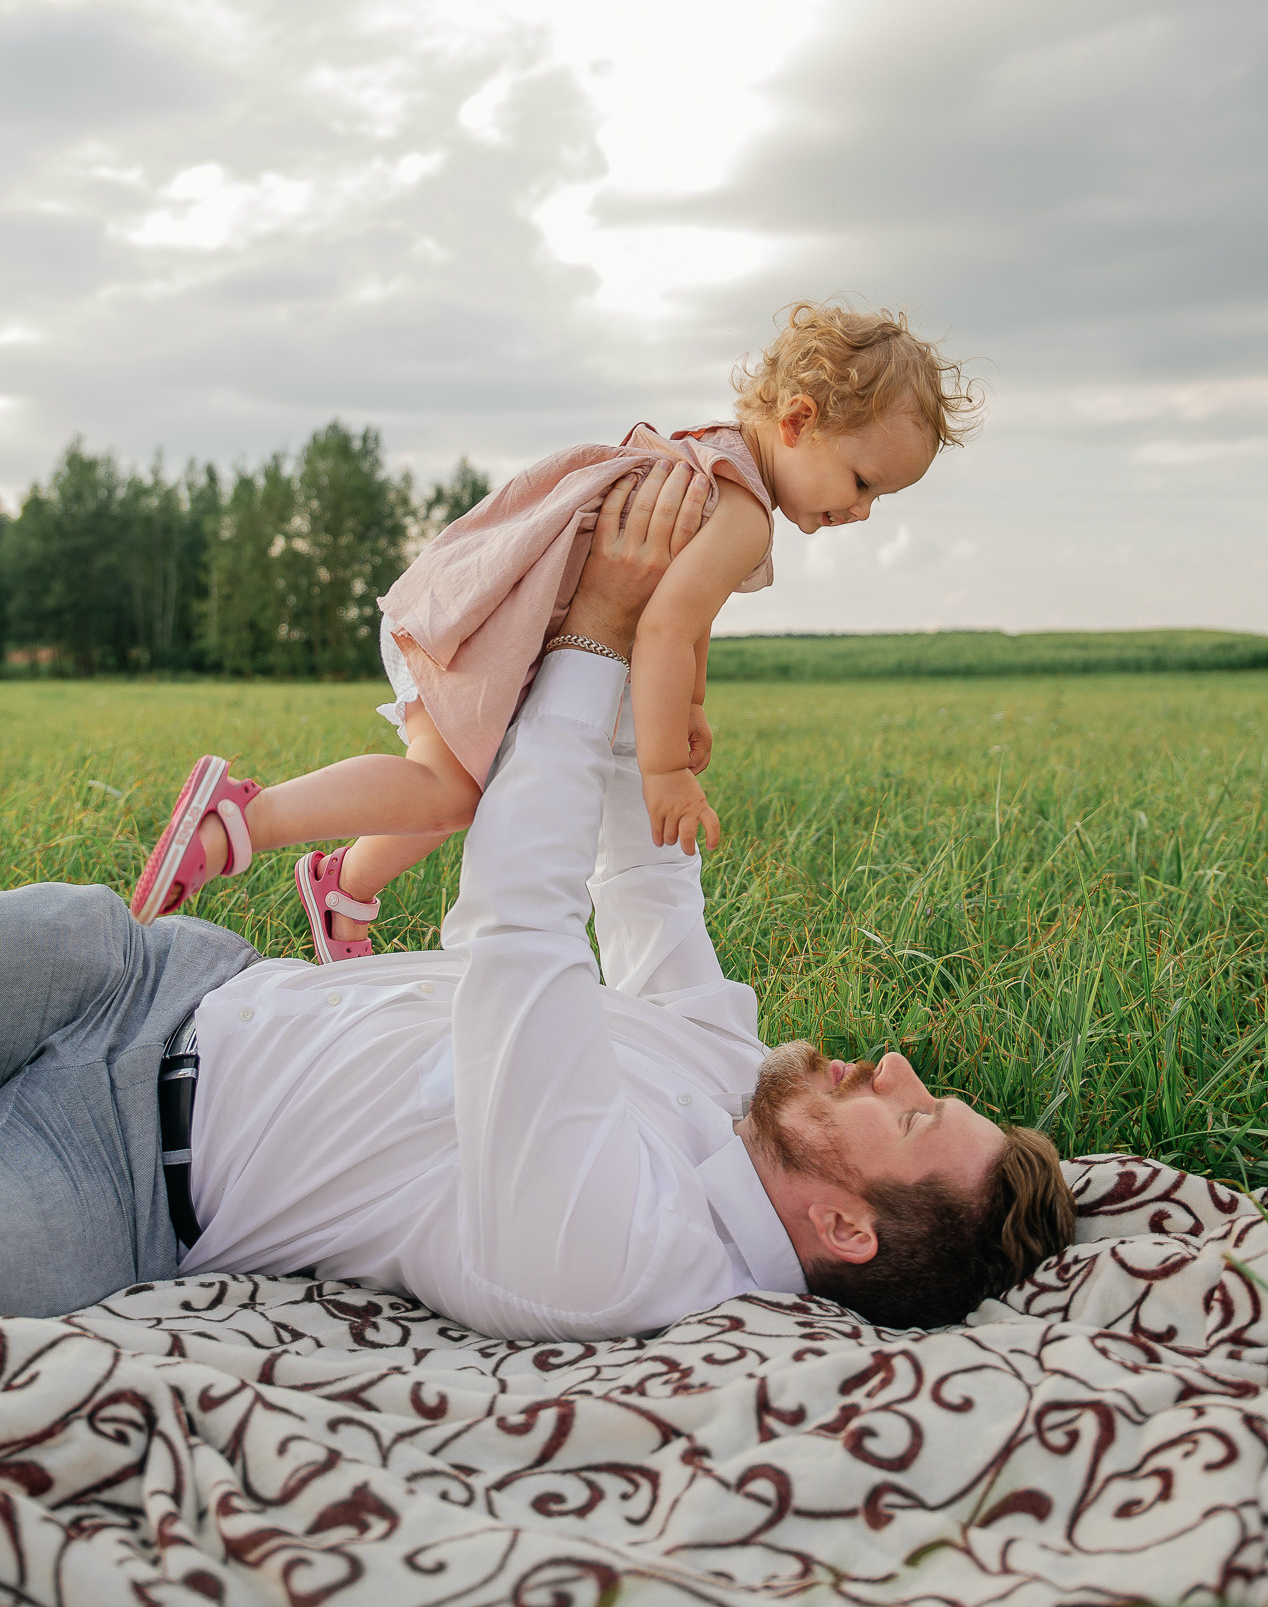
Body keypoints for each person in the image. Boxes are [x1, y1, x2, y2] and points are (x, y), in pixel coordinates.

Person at [0, 474, 1074, 1332]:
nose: (891, 1066)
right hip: (158, 972)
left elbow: (523, 924)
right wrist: (654, 649)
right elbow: (643, 876)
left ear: (843, 1226)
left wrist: (599, 627)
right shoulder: (736, 1080)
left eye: (916, 1113)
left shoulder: (622, 1253)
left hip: (111, 1184)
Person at [130, 303, 980, 961]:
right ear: (797, 421)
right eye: (862, 480)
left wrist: (691, 702)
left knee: (467, 786)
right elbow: (663, 632)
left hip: (478, 602)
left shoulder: (717, 455)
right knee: (449, 789)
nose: (862, 511)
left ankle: (341, 889)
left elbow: (683, 618)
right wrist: (665, 769)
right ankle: (245, 821)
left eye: (882, 501)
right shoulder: (745, 515)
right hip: (489, 628)